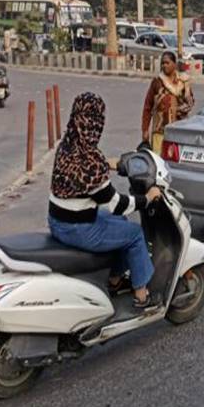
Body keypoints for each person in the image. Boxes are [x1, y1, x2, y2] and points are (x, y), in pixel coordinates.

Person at [50, 93, 162, 311]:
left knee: (118, 221)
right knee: (134, 233)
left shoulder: (67, 145)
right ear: (96, 122)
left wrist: (110, 164)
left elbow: (87, 166)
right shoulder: (89, 163)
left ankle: (115, 280)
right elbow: (116, 203)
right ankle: (142, 295)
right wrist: (147, 198)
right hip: (78, 229)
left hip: (57, 220)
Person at [141, 51, 194, 153]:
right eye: (162, 63)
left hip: (178, 131)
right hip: (159, 131)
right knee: (159, 160)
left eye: (167, 63)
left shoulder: (183, 82)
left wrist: (178, 110)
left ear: (174, 64)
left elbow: (190, 103)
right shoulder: (157, 82)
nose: (164, 65)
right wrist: (145, 130)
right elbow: (147, 107)